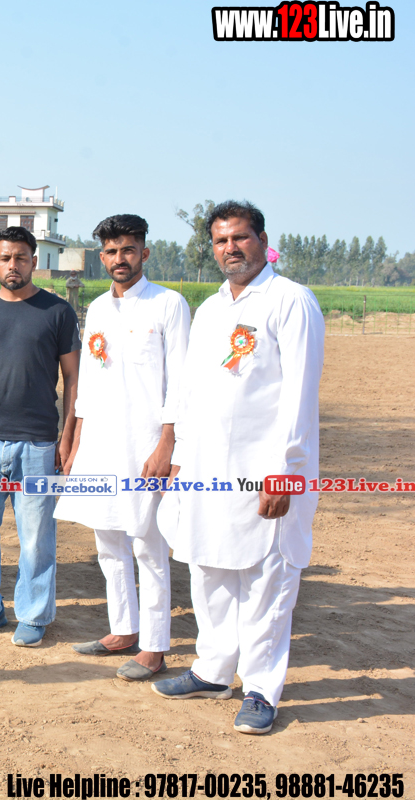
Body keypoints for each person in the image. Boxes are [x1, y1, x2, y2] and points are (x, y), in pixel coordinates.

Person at [152, 201, 324, 736]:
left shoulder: (290, 301)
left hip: (264, 472)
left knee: (266, 578)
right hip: (207, 470)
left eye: (241, 237)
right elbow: (191, 392)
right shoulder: (210, 310)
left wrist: (286, 472)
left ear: (262, 241)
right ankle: (212, 670)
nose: (231, 248)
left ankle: (260, 689)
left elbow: (299, 397)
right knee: (209, 569)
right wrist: (180, 460)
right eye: (221, 240)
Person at [55, 214, 190, 681]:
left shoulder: (168, 304)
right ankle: (123, 630)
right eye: (111, 251)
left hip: (146, 445)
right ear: (102, 256)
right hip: (101, 442)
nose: (120, 259)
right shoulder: (97, 309)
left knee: (148, 545)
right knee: (107, 541)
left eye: (128, 250)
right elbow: (88, 383)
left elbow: (181, 383)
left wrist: (167, 445)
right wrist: (75, 441)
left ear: (144, 253)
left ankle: (154, 646)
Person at [0, 226, 81, 645]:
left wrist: (66, 436)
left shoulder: (57, 312)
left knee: (37, 536)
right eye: (5, 258)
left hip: (38, 441)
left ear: (34, 262)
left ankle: (34, 615)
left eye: (21, 257)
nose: (13, 265)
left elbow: (73, 379)